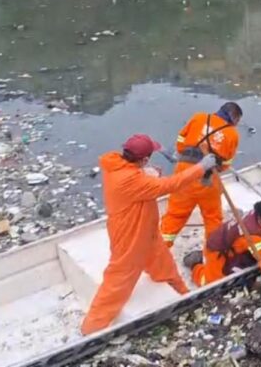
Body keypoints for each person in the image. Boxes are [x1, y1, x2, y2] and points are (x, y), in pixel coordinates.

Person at [80, 134, 217, 335]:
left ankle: (183, 296)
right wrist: (201, 168)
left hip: (147, 231)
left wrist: (146, 173)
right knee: (117, 282)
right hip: (131, 236)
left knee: (165, 265)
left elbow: (142, 180)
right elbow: (170, 185)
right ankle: (90, 329)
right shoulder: (129, 180)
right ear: (143, 159)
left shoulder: (117, 165)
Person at [160, 102, 242, 247]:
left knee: (175, 215)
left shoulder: (199, 118)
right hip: (208, 180)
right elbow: (225, 164)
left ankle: (160, 248)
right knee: (212, 218)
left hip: (184, 175)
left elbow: (180, 142)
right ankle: (212, 252)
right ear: (234, 118)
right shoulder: (232, 134)